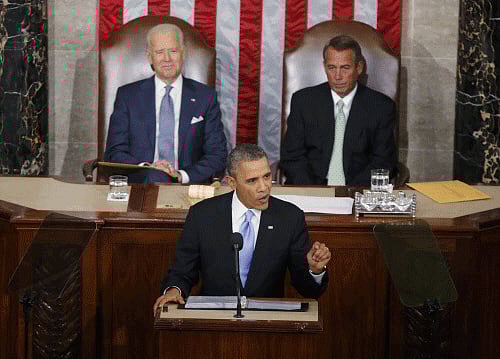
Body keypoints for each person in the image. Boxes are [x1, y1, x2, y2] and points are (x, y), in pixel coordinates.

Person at [153, 144, 331, 312]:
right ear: (232, 182)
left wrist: (314, 270)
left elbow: (308, 290)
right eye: (252, 180)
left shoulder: (289, 217)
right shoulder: (202, 215)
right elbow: (182, 271)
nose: (264, 187)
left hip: (267, 325)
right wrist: (174, 290)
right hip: (213, 322)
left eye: (267, 176)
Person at [104, 23, 227, 184]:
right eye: (160, 52)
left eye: (173, 51)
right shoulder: (128, 96)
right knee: (156, 177)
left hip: (187, 186)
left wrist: (181, 175)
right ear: (150, 57)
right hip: (141, 184)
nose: (167, 58)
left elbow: (217, 155)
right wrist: (147, 168)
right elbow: (114, 152)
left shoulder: (205, 97)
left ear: (183, 54)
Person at [280, 35, 397, 186]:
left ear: (359, 68)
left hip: (357, 190)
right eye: (332, 68)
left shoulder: (381, 107)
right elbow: (292, 156)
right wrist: (313, 192)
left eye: (345, 68)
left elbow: (383, 161)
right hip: (310, 188)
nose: (337, 76)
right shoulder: (303, 101)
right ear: (325, 67)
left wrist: (349, 193)